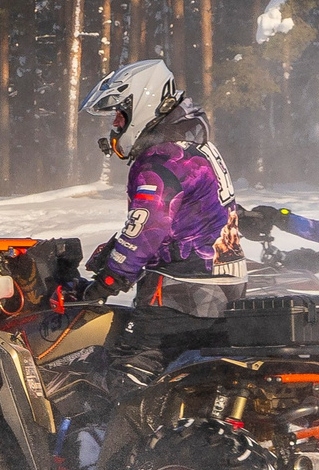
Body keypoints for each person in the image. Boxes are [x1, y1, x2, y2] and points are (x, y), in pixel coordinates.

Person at [75, 58, 239, 386]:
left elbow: (148, 229)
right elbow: (183, 221)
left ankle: (113, 437)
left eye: (120, 116)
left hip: (178, 296)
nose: (116, 126)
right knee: (180, 384)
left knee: (122, 378)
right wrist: (113, 250)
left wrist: (105, 284)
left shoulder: (163, 159)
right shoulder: (195, 148)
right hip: (220, 292)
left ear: (144, 105)